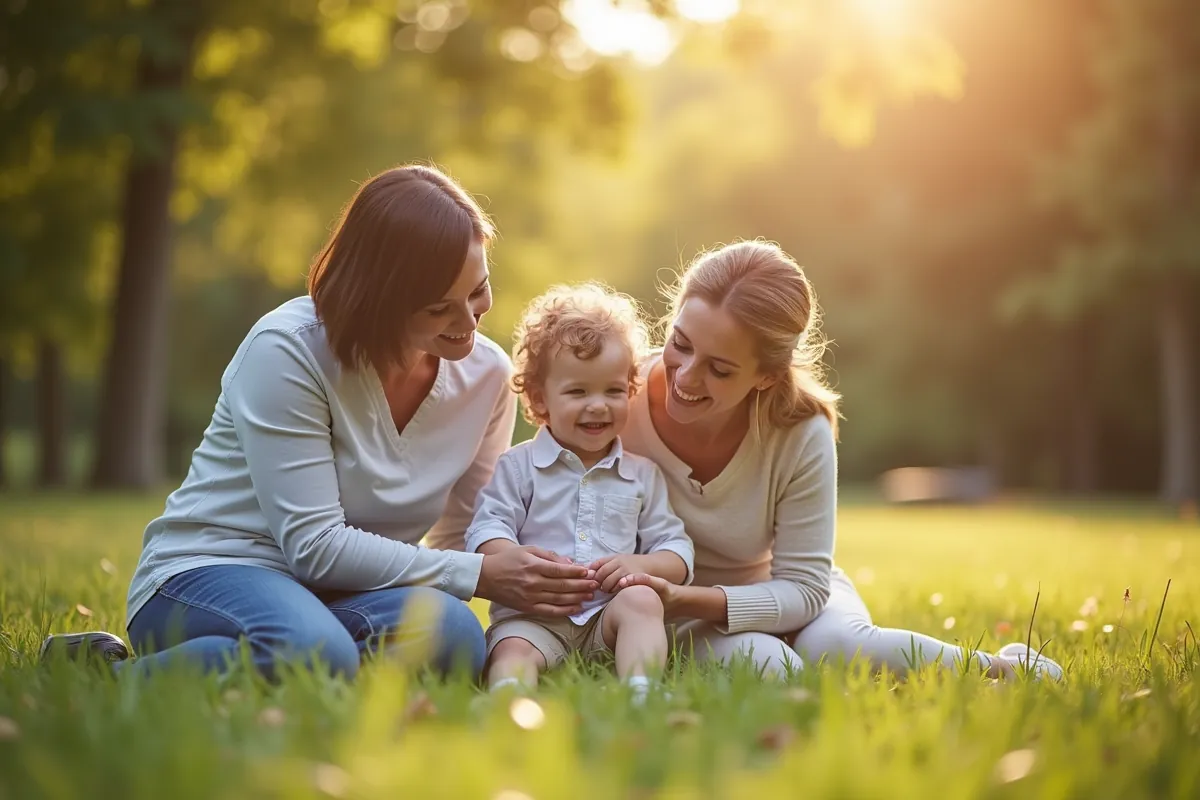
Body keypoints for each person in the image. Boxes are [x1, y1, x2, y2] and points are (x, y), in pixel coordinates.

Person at [40, 165, 601, 680]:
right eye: (437, 308)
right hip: (209, 573)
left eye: (477, 290)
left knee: (453, 637)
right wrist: (480, 575)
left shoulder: (486, 377)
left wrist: (535, 572)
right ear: (380, 298)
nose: (468, 322)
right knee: (314, 650)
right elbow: (313, 545)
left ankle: (282, 658)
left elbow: (461, 536)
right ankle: (101, 673)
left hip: (350, 592)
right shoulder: (288, 351)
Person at [615, 240, 1063, 681]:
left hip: (784, 591)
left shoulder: (799, 431)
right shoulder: (614, 404)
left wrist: (688, 597)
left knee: (837, 647)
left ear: (766, 376)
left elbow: (807, 587)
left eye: (720, 368)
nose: (687, 375)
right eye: (681, 343)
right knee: (771, 665)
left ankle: (1005, 670)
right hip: (665, 611)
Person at [466, 284, 694, 700]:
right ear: (540, 398)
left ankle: (641, 688)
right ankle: (510, 698)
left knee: (643, 601)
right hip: (533, 617)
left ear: (629, 390)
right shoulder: (518, 467)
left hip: (609, 619)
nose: (598, 406)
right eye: (577, 392)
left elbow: (675, 549)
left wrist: (637, 564)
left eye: (612, 391)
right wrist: (511, 557)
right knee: (512, 647)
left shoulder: (642, 475)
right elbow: (486, 529)